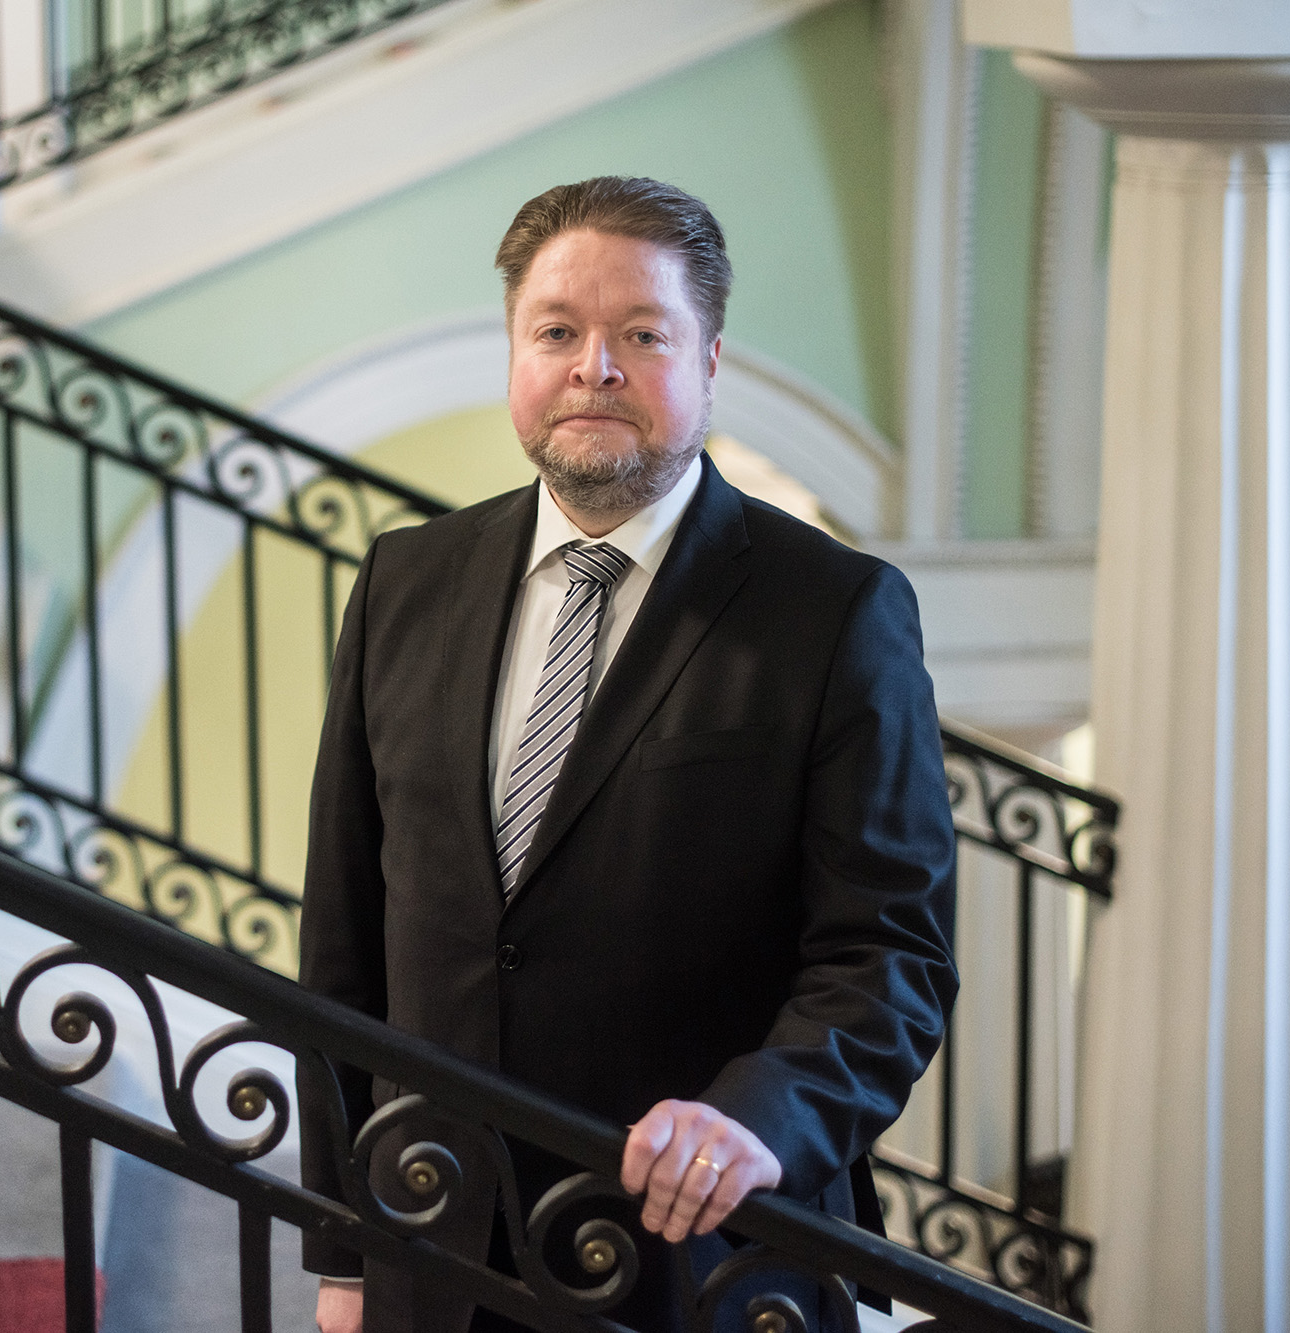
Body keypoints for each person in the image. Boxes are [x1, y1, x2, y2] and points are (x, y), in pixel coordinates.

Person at [298, 176, 957, 1333]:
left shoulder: (834, 611)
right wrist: (344, 1251)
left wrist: (761, 1115)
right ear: (515, 352)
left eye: (639, 334)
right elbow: (343, 944)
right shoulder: (404, 580)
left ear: (706, 362)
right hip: (434, 1239)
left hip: (696, 1259)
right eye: (555, 331)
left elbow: (886, 953)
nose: (591, 365)